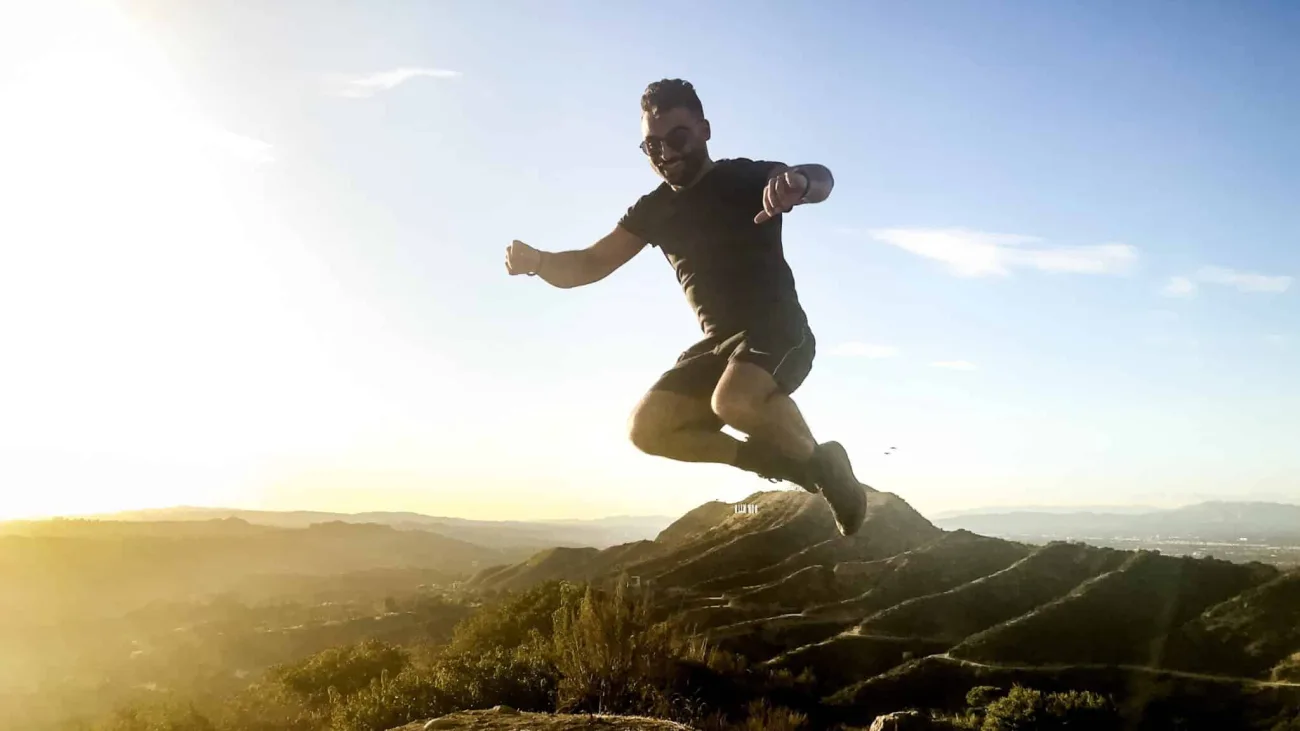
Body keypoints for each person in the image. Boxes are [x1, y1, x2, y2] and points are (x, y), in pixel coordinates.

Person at [504, 78, 868, 536]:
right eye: (651, 144)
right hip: (719, 346)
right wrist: (538, 262)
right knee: (647, 428)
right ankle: (773, 460)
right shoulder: (653, 210)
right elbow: (590, 264)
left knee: (732, 400)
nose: (665, 152)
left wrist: (798, 182)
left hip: (777, 330)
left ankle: (825, 465)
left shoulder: (744, 178)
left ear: (704, 130)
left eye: (677, 137)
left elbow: (822, 179)